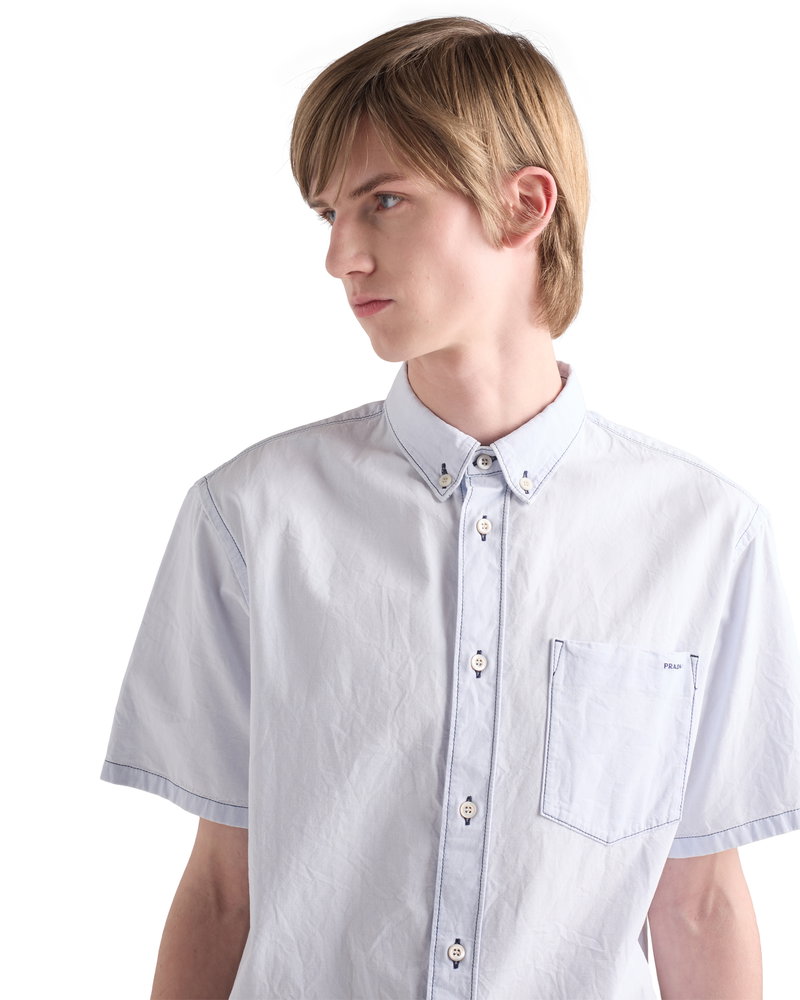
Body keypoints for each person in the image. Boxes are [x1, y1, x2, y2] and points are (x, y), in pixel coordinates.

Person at [100, 15, 800, 999]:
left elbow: (698, 902)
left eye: (382, 201)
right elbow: (223, 892)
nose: (340, 256)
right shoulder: (251, 517)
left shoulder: (703, 538)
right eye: (328, 212)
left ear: (523, 205)